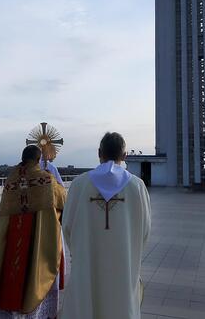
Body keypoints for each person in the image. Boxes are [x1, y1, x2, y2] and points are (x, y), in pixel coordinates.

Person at [61, 132, 151, 319]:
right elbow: (145, 230)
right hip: (124, 263)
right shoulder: (137, 186)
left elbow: (67, 225)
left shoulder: (79, 184)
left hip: (87, 261)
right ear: (125, 156)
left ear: (99, 152)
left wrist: (80, 251)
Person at [0, 145, 67, 318]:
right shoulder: (47, 180)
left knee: (13, 274)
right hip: (38, 238)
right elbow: (63, 200)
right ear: (38, 160)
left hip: (13, 239)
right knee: (34, 275)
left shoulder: (11, 180)